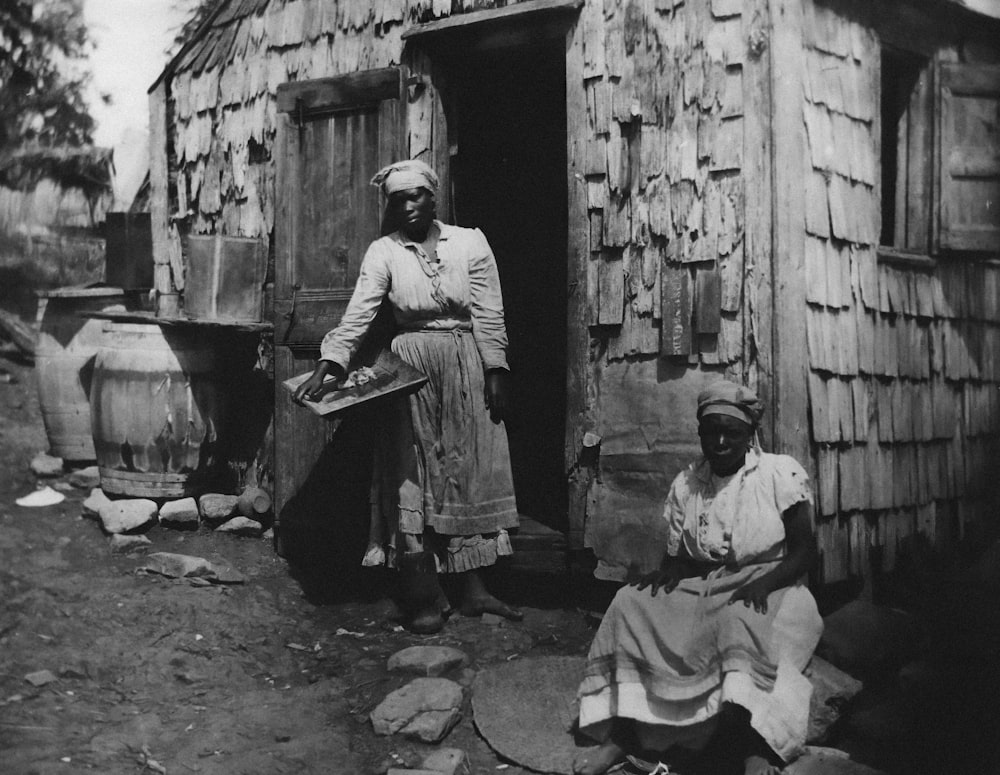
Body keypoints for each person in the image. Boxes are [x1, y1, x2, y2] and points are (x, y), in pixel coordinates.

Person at [293, 158, 522, 635]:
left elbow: (489, 309)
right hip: (412, 366)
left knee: (469, 468)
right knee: (415, 470)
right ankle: (426, 593)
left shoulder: (470, 242)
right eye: (398, 199)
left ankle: (476, 590)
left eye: (415, 195)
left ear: (433, 197)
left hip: (466, 359)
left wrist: (496, 368)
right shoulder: (385, 252)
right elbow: (359, 314)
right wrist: (329, 362)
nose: (408, 206)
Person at [574, 380, 823, 775]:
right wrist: (670, 570)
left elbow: (805, 551)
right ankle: (627, 734)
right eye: (712, 432)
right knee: (629, 603)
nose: (721, 441)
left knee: (735, 622)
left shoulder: (778, 473)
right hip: (706, 584)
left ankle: (753, 744)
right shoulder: (688, 483)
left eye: (733, 433)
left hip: (773, 583)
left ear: (749, 435)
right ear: (700, 433)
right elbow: (682, 557)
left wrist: (764, 583)